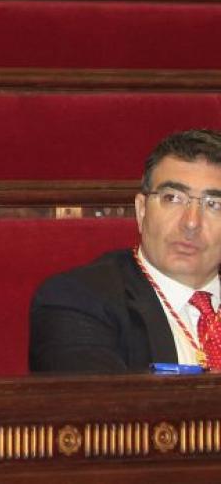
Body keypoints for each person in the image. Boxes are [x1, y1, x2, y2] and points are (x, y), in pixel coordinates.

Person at [30, 128, 221, 373]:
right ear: (142, 210)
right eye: (172, 198)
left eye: (214, 205)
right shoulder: (77, 300)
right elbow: (100, 406)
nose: (191, 222)